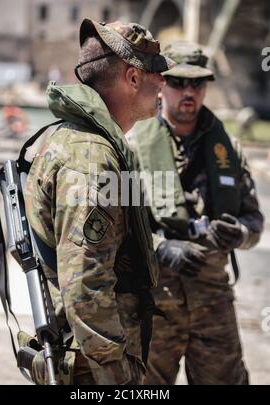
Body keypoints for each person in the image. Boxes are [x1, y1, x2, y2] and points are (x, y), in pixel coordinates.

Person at [24, 19, 176, 385]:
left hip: (84, 356)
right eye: (158, 72)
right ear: (133, 78)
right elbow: (85, 286)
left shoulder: (75, 139)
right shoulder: (91, 158)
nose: (164, 83)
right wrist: (116, 376)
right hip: (92, 368)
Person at [130, 41, 264, 385]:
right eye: (178, 83)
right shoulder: (132, 147)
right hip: (154, 303)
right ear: (161, 84)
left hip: (213, 302)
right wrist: (162, 248)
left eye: (198, 83)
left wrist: (241, 234)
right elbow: (118, 229)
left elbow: (254, 222)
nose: (188, 92)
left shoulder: (228, 149)